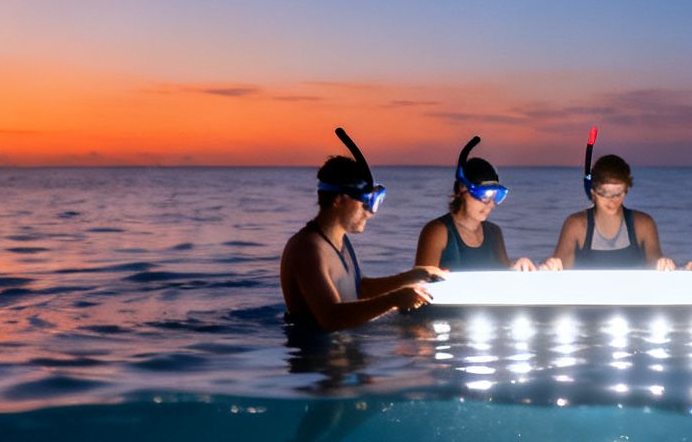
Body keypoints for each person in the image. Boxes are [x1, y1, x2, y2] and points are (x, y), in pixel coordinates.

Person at [280, 127, 442, 331]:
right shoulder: (307, 248)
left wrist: (412, 276)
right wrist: (393, 300)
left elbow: (360, 289)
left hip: (345, 353)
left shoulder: (340, 241)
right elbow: (331, 317)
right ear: (339, 200)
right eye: (365, 202)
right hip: (318, 359)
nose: (370, 212)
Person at [415, 136, 532, 271]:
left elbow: (505, 274)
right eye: (485, 195)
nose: (491, 204)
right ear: (462, 189)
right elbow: (420, 283)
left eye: (496, 196)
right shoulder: (437, 232)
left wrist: (519, 266)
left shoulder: (494, 233)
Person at [544, 145, 668, 270]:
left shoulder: (643, 224)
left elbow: (657, 265)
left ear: (626, 190)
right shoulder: (576, 225)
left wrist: (665, 264)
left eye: (617, 194)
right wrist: (544, 266)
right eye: (604, 194)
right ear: (593, 192)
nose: (611, 201)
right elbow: (557, 270)